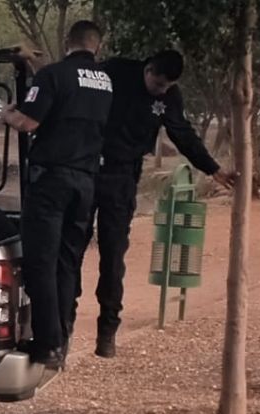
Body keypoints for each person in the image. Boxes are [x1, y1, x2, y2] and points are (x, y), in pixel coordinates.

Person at [72, 50, 235, 359]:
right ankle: (64, 322)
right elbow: (76, 83)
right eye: (158, 83)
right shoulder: (114, 71)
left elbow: (182, 134)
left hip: (123, 177)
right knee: (73, 249)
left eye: (167, 86)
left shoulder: (170, 96)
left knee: (113, 254)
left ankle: (107, 331)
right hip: (88, 169)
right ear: (147, 69)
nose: (161, 90)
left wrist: (212, 168)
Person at [1, 20, 113, 369]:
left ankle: (47, 344)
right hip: (86, 182)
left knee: (40, 262)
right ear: (97, 46)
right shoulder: (105, 81)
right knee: (67, 264)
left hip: (52, 182)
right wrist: (37, 67)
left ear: (68, 41)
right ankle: (61, 340)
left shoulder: (53, 76)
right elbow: (69, 93)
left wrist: (6, 114)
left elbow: (29, 122)